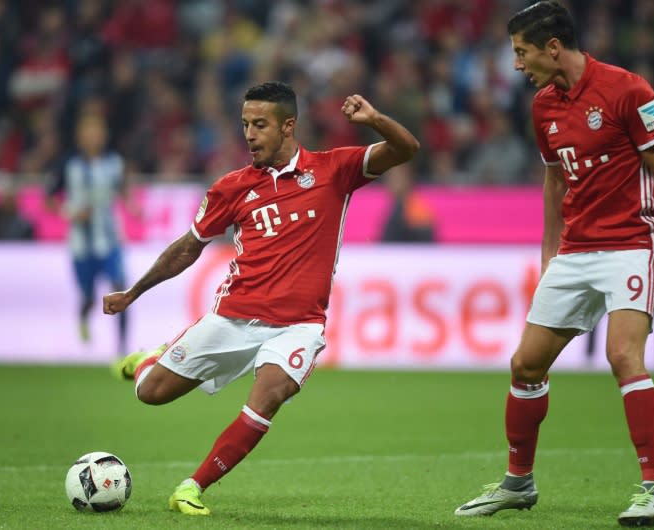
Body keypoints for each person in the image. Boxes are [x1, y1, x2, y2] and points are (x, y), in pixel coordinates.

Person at [103, 81, 420, 515]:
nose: (249, 134)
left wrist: (375, 120)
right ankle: (148, 361)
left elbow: (406, 149)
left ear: (288, 126)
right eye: (245, 124)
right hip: (232, 318)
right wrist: (133, 292)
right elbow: (187, 247)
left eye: (259, 125)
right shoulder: (232, 188)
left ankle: (191, 488)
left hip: (299, 325)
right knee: (151, 393)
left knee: (269, 395)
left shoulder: (333, 170)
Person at [454, 2, 654, 527]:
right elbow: (555, 181)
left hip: (632, 243)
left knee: (624, 356)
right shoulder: (543, 106)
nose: (517, 65)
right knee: (526, 364)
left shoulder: (629, 90)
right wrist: (549, 252)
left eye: (522, 52)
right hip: (576, 250)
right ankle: (517, 483)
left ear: (553, 47)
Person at [46, 113, 131, 354]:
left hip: (110, 240)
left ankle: (122, 350)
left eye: (97, 132)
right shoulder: (67, 164)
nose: (93, 137)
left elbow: (123, 190)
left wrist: (133, 207)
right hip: (81, 245)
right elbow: (48, 200)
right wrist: (70, 212)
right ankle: (83, 316)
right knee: (90, 298)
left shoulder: (115, 162)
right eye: (88, 132)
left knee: (121, 290)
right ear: (80, 137)